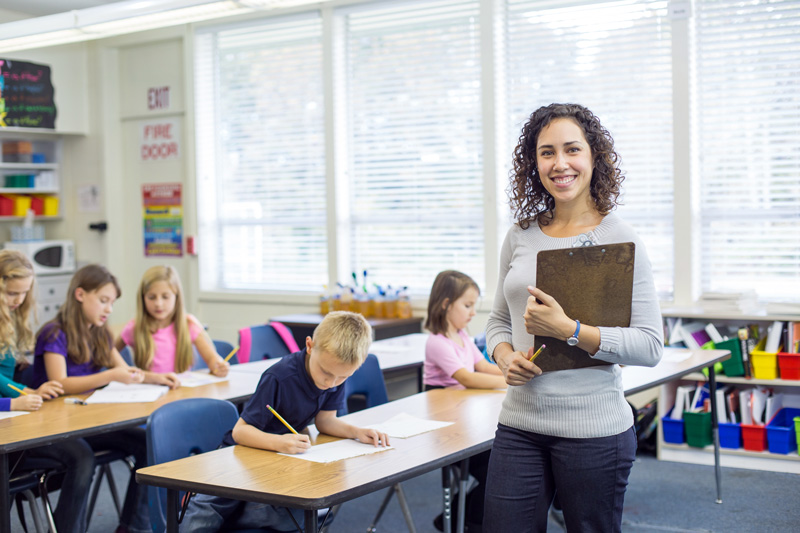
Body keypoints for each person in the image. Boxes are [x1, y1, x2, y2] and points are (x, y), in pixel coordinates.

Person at [483, 103, 663, 533]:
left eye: (571, 150)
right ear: (534, 163)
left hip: (595, 429)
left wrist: (570, 331)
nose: (560, 164)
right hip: (520, 424)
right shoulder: (520, 234)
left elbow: (651, 346)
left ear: (594, 157)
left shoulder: (621, 239)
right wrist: (504, 356)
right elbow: (496, 321)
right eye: (547, 153)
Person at [180, 311, 390, 533]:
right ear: (310, 345)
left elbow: (325, 421)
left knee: (302, 516)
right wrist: (279, 443)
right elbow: (240, 432)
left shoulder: (335, 374)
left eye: (342, 377)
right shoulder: (279, 376)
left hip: (278, 460)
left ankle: (238, 513)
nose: (331, 382)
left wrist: (357, 432)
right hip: (241, 454)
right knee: (204, 516)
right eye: (326, 372)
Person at [31, 263, 153, 533]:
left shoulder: (99, 333)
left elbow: (125, 371)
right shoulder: (54, 333)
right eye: (103, 300)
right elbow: (60, 384)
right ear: (80, 294)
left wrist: (158, 378)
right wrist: (110, 375)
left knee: (148, 442)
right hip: (52, 428)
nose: (109, 309)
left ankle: (132, 527)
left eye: (112, 302)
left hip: (84, 423)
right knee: (83, 458)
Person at [0, 250, 95, 533]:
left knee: (80, 455)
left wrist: (28, 391)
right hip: (7, 415)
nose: (18, 300)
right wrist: (13, 401)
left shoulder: (11, 318)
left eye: (24, 293)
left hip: (13, 420)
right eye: (11, 293)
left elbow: (7, 377)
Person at [424, 269, 505, 533]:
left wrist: (511, 369)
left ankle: (465, 516)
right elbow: (467, 378)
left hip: (464, 422)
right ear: (446, 304)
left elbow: (482, 365)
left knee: (501, 469)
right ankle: (469, 520)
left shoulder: (462, 336)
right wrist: (510, 383)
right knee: (495, 473)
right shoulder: (437, 343)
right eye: (468, 305)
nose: (472, 313)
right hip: (447, 433)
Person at [115, 265, 229, 388]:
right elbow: (108, 355)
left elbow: (212, 359)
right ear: (143, 298)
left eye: (165, 297)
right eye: (151, 297)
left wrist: (219, 366)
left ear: (176, 296)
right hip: (148, 393)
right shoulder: (134, 327)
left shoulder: (188, 324)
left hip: (181, 391)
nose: (158, 304)